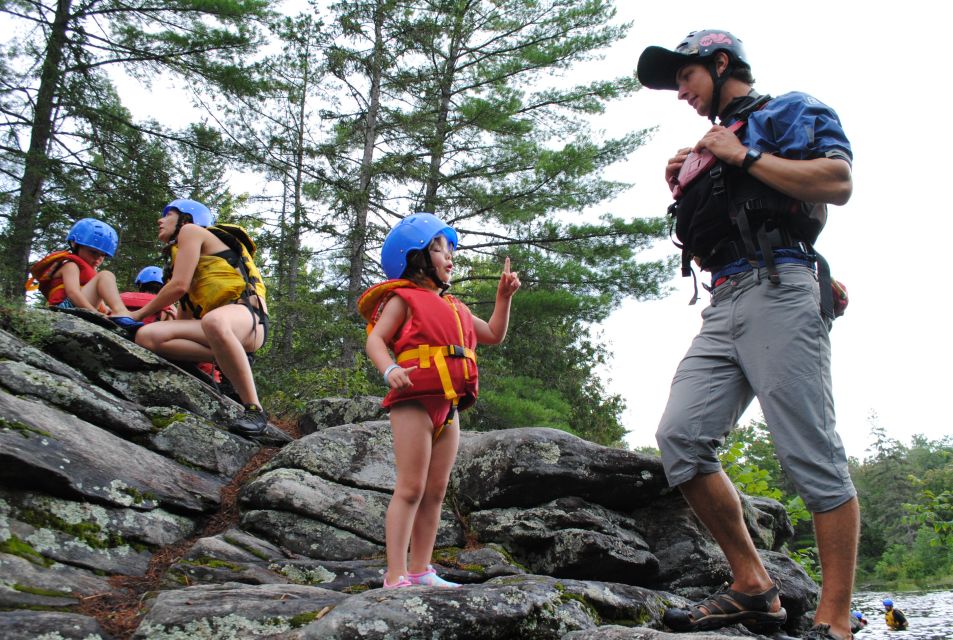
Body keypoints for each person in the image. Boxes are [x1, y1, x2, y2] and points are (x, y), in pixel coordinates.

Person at [636, 30, 858, 640]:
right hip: (723, 300)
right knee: (680, 436)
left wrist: (741, 158)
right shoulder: (709, 143)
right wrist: (692, 176)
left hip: (781, 285)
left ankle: (834, 622)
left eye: (685, 77)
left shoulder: (789, 110)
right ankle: (753, 587)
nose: (680, 92)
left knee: (810, 452)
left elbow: (836, 181)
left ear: (721, 62)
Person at [358, 212, 520, 589]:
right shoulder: (403, 298)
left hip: (448, 407)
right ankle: (395, 574)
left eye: (450, 248)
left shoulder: (457, 307)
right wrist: (388, 370)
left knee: (435, 491)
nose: (449, 255)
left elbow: (494, 333)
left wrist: (503, 297)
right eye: (438, 247)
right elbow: (375, 340)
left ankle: (421, 570)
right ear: (414, 258)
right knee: (411, 488)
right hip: (413, 401)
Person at [128, 199, 270, 438]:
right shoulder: (183, 259)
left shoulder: (192, 231)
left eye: (168, 214)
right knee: (147, 336)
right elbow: (185, 313)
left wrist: (137, 314)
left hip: (248, 319)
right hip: (219, 330)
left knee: (214, 321)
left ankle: (255, 410)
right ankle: (231, 357)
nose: (160, 220)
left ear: (186, 218)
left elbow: (179, 286)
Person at [27, 218, 141, 329]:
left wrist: (106, 311)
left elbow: (94, 298)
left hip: (76, 307)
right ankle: (122, 313)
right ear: (75, 244)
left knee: (104, 277)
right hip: (63, 308)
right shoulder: (70, 265)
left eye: (102, 255)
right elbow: (73, 293)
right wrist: (96, 314)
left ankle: (121, 314)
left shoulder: (90, 274)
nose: (97, 258)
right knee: (106, 275)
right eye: (93, 252)